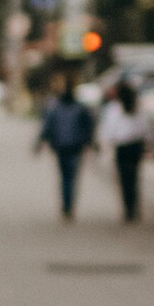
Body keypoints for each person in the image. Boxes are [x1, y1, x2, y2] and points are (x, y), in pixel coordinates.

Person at [35, 71, 94, 217]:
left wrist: (41, 141)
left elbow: (48, 126)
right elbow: (89, 127)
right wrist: (89, 141)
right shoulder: (80, 107)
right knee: (71, 177)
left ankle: (66, 205)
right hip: (75, 147)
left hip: (61, 146)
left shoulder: (56, 107)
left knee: (64, 177)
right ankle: (69, 204)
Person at [102, 72, 149, 224]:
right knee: (134, 177)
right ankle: (134, 207)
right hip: (136, 146)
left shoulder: (114, 109)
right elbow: (144, 128)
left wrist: (108, 142)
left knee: (124, 179)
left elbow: (109, 130)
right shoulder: (137, 107)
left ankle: (128, 209)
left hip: (122, 147)